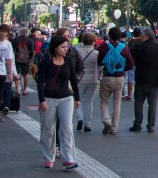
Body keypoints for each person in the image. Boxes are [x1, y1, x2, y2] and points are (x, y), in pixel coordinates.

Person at [36, 34, 80, 169]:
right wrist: (41, 99)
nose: (65, 49)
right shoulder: (45, 61)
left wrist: (77, 98)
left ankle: (68, 158)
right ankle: (48, 157)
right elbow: (41, 81)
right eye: (62, 47)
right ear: (55, 48)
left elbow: (73, 79)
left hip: (66, 98)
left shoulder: (69, 61)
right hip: (49, 98)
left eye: (67, 47)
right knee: (48, 129)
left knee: (67, 128)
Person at [129, 28, 158, 133]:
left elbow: (130, 55)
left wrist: (134, 42)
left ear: (147, 37)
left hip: (142, 79)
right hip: (156, 80)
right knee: (152, 103)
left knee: (138, 101)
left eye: (142, 36)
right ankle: (151, 125)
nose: (140, 37)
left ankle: (137, 123)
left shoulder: (141, 48)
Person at [97, 26, 133, 135]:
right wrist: (121, 69)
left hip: (107, 76)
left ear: (109, 35)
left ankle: (106, 120)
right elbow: (130, 64)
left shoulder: (103, 47)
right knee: (117, 103)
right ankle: (114, 128)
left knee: (104, 101)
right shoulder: (124, 48)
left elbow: (99, 61)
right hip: (119, 77)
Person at [73, 32, 101, 132]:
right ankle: (87, 123)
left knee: (78, 99)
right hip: (92, 79)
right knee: (89, 101)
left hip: (79, 78)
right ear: (93, 42)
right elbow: (101, 67)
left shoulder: (77, 51)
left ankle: (79, 118)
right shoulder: (96, 53)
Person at [13, 27, 35, 96]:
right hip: (26, 59)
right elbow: (32, 51)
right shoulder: (30, 40)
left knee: (18, 74)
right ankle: (25, 90)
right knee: (25, 75)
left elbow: (12, 49)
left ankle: (18, 90)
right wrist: (30, 58)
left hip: (17, 59)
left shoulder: (16, 39)